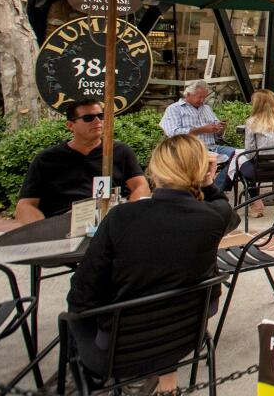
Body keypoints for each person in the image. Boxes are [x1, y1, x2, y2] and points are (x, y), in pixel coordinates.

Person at [65, 134, 237, 392]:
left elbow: (81, 295)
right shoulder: (212, 219)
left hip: (119, 349)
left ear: (155, 169)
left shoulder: (121, 218)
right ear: (202, 170)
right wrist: (208, 182)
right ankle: (165, 384)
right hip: (186, 335)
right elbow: (224, 210)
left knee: (73, 318)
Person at [16, 99, 150, 223]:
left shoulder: (120, 151)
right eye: (88, 118)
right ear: (70, 125)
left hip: (110, 220)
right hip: (64, 223)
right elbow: (26, 205)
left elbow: (140, 186)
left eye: (100, 116)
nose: (97, 121)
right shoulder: (46, 159)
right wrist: (43, 230)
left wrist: (131, 214)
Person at [159, 80, 236, 190]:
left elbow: (217, 135)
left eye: (204, 97)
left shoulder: (207, 108)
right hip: (189, 150)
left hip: (212, 147)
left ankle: (216, 188)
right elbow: (173, 134)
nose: (202, 100)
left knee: (239, 156)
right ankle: (211, 190)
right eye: (199, 97)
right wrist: (200, 130)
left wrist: (219, 129)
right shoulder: (174, 109)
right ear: (188, 94)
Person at [237, 89, 274, 218]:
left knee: (237, 163)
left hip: (260, 171)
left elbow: (249, 153)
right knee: (237, 159)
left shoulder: (252, 122)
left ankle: (256, 203)